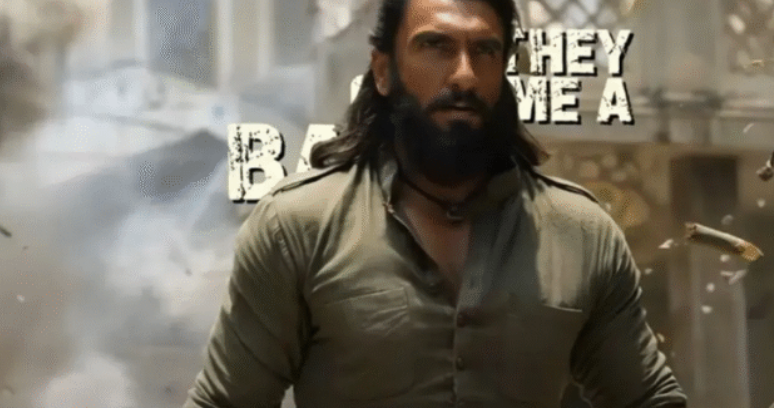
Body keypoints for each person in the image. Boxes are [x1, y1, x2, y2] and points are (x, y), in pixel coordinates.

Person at [183, 0, 687, 407]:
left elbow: (649, 400)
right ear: (384, 71)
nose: (464, 75)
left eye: (484, 51)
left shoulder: (580, 234)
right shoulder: (297, 227)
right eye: (436, 46)